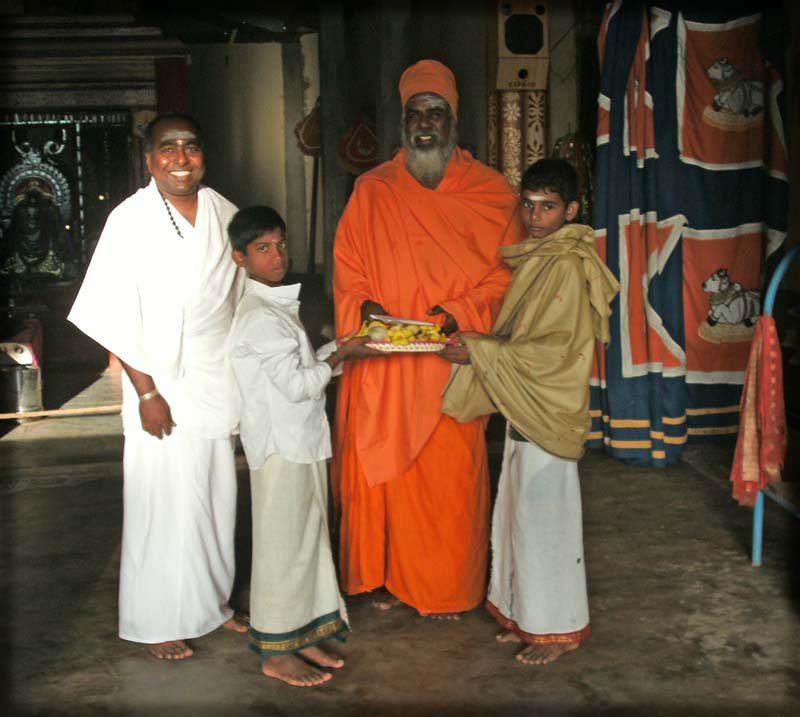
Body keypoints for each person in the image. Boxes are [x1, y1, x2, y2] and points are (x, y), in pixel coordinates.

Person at [332, 59, 525, 618]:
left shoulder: (491, 193)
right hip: (384, 364)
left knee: (450, 482)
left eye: (436, 114)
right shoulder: (372, 190)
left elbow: (507, 275)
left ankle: (445, 587)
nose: (425, 124)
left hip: (450, 361)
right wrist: (365, 305)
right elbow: (348, 265)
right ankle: (385, 577)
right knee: (384, 475)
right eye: (416, 114)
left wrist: (454, 313)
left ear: (453, 121)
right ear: (403, 122)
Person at [68, 112, 247, 660]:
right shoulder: (131, 219)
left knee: (216, 499)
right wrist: (146, 392)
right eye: (168, 148)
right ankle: (154, 621)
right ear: (149, 159)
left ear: (203, 155)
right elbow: (115, 313)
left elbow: (242, 298)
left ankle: (209, 606)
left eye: (190, 146)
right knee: (159, 503)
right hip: (159, 382)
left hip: (216, 376)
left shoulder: (225, 213)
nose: (181, 158)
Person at [440, 158, 620, 664]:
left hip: (549, 404)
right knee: (517, 516)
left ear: (572, 210)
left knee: (546, 524)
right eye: (529, 204)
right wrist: (484, 344)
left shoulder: (564, 262)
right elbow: (524, 338)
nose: (535, 216)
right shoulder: (542, 254)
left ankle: (556, 631)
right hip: (527, 404)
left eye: (548, 207)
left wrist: (480, 348)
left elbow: (556, 350)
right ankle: (524, 617)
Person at [227, 206, 384, 687]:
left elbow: (300, 371)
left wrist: (339, 349)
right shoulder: (257, 317)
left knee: (309, 544)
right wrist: (343, 353)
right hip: (282, 450)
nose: (276, 257)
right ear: (240, 258)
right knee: (282, 550)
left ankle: (305, 634)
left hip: (301, 442)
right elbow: (297, 386)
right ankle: (276, 650)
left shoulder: (274, 307)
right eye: (262, 249)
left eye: (280, 244)